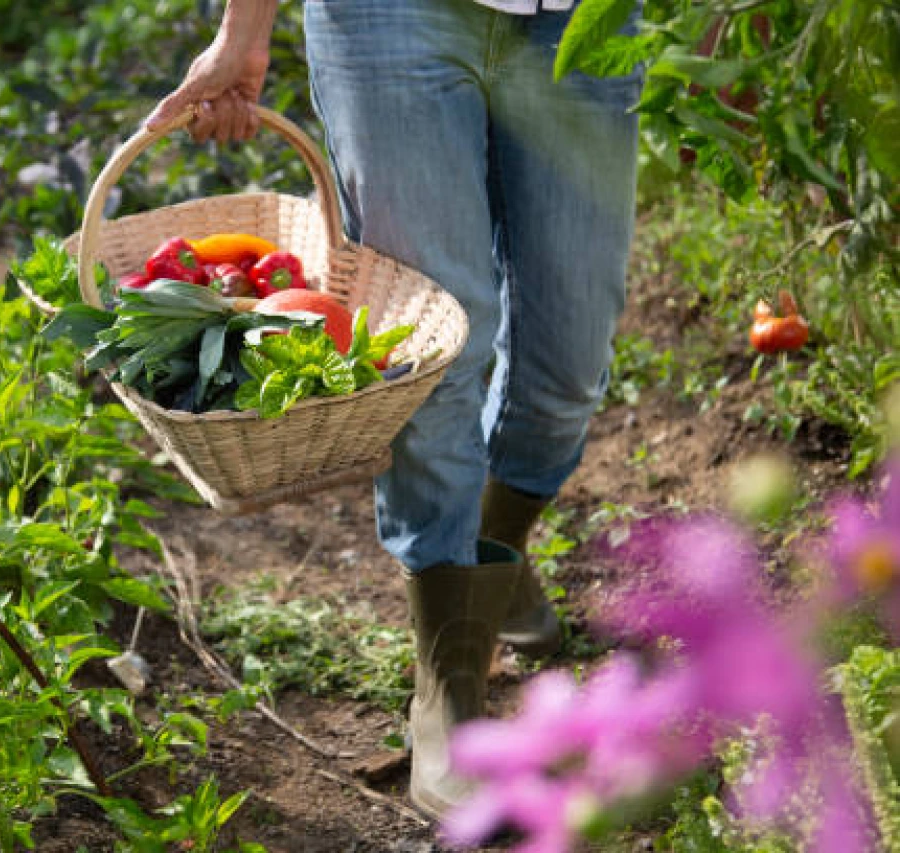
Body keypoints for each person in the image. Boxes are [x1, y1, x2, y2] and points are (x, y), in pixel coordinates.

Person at [147, 0, 643, 822]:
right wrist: (244, 28)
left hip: (581, 22)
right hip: (390, 19)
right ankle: (448, 674)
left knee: (568, 366)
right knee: (439, 348)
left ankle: (497, 555)